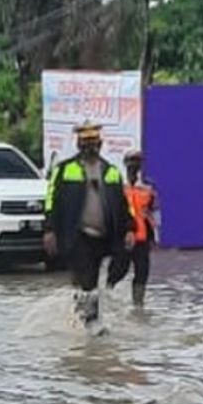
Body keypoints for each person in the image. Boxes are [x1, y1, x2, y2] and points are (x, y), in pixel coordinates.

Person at [43, 122, 134, 324]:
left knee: (115, 272)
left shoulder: (111, 171)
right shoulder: (64, 169)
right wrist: (49, 230)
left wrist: (129, 229)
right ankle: (90, 325)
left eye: (93, 142)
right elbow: (50, 199)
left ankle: (85, 317)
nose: (89, 147)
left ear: (100, 144)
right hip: (78, 235)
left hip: (105, 237)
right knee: (87, 281)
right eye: (85, 142)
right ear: (78, 144)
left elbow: (122, 204)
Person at [109, 149, 161, 306]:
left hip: (142, 237)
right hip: (123, 237)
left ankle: (138, 306)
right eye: (131, 161)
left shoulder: (148, 187)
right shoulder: (118, 186)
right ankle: (103, 297)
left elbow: (155, 212)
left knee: (142, 272)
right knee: (118, 270)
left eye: (137, 161)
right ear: (125, 164)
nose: (134, 165)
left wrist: (156, 236)